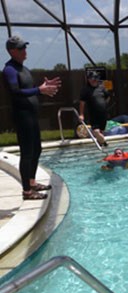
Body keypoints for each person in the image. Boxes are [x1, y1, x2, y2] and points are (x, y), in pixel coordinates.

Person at [3, 36, 61, 200]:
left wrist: (45, 88)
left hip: (31, 115)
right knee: (27, 153)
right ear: (12, 51)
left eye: (24, 47)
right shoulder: (10, 70)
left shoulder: (24, 69)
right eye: (21, 49)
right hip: (22, 116)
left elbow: (32, 90)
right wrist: (39, 90)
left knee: (37, 150)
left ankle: (32, 182)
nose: (24, 51)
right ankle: (27, 191)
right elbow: (15, 92)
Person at [79, 71, 110, 147]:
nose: (94, 80)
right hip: (93, 114)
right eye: (92, 78)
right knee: (96, 132)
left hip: (103, 113)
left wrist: (105, 104)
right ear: (88, 80)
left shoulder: (102, 87)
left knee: (101, 131)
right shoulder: (85, 90)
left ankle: (101, 146)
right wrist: (81, 114)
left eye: (95, 78)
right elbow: (82, 103)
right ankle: (105, 143)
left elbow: (108, 97)